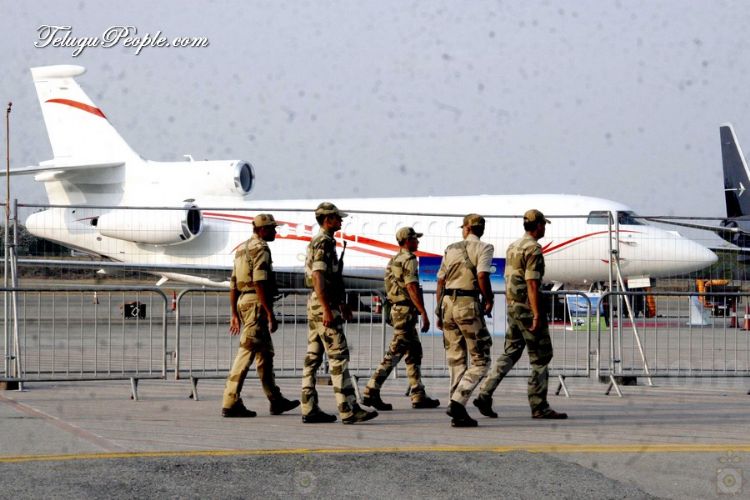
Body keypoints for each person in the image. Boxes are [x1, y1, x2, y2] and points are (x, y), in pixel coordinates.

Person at [473, 209, 567, 420]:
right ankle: (539, 405)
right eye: (543, 224)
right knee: (541, 357)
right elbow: (532, 283)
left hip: (513, 307)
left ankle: (485, 393)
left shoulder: (514, 246)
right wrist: (536, 313)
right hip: (527, 308)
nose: (544, 228)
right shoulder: (533, 249)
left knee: (511, 352)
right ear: (538, 225)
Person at [300, 202, 379, 424]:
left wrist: (341, 303)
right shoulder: (324, 242)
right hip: (323, 306)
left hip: (318, 304)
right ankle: (348, 409)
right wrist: (328, 308)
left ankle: (309, 407)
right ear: (328, 220)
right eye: (337, 218)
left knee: (313, 358)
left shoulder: (321, 241)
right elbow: (318, 276)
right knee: (338, 356)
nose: (341, 221)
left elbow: (330, 278)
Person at [221, 213, 300, 417]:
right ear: (262, 229)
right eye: (272, 228)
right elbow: (259, 282)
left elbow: (233, 283)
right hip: (256, 304)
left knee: (265, 355)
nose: (275, 232)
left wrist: (234, 312)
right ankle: (230, 401)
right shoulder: (261, 248)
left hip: (245, 302)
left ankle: (276, 399)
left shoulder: (242, 248)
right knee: (246, 352)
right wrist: (269, 312)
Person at [362, 227, 440, 411]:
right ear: (407, 241)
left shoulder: (394, 259)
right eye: (415, 239)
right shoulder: (409, 259)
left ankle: (418, 394)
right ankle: (371, 390)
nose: (418, 242)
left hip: (398, 310)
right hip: (405, 311)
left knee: (414, 352)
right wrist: (423, 312)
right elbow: (411, 287)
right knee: (395, 352)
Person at [436, 214, 494, 427]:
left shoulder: (450, 248)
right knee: (481, 359)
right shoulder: (484, 248)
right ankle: (457, 403)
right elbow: (482, 276)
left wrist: (438, 310)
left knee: (456, 358)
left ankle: (456, 407)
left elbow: (440, 280)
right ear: (481, 229)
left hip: (447, 305)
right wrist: (489, 299)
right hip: (467, 304)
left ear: (467, 228)